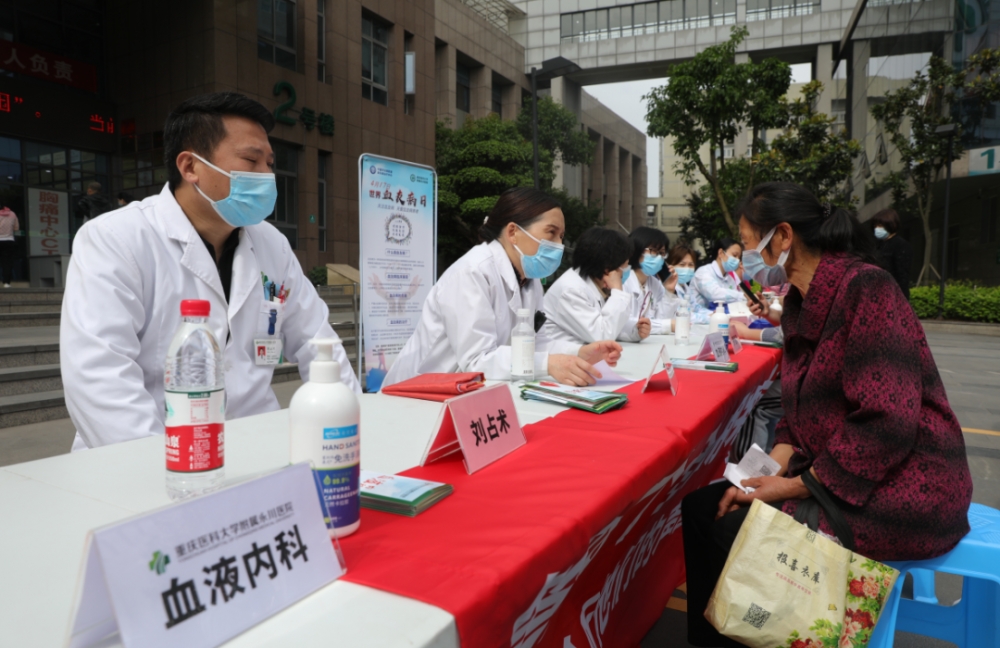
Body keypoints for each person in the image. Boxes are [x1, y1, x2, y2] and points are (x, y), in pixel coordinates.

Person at [681, 182, 972, 648]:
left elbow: (886, 422)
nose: (744, 258)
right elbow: (795, 418)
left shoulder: (867, 290)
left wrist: (793, 485)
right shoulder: (800, 302)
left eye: (747, 241)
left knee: (734, 532)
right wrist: (760, 476)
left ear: (782, 237)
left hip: (905, 486)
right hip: (847, 474)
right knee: (704, 507)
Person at [61, 92, 360, 450]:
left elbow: (320, 344)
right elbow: (99, 377)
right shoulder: (116, 239)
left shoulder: (272, 244)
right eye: (251, 160)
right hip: (153, 454)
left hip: (255, 446)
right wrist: (164, 474)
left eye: (270, 163)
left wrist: (351, 436)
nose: (267, 176)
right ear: (190, 167)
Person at [381, 188, 622, 388]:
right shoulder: (472, 272)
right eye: (551, 233)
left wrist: (579, 353)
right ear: (513, 232)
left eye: (562, 236)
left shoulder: (530, 279)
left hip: (467, 392)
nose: (560, 245)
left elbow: (537, 342)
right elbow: (477, 360)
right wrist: (549, 364)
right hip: (418, 391)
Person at [541, 226, 644, 344]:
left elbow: (605, 323)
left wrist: (634, 331)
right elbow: (602, 336)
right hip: (563, 357)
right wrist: (618, 291)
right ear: (608, 269)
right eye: (624, 266)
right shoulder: (571, 290)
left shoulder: (591, 283)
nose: (627, 270)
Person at [621, 226, 679, 336]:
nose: (659, 257)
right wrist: (667, 325)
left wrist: (669, 291)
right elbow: (625, 324)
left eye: (662, 253)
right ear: (637, 249)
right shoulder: (624, 280)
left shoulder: (654, 283)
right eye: (654, 251)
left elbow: (662, 319)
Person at [689, 237, 745, 310]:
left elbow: (734, 302)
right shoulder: (703, 272)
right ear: (721, 253)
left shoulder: (730, 279)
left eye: (739, 257)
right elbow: (714, 293)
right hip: (697, 318)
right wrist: (743, 296)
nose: (737, 260)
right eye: (734, 255)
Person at [872, 207, 912, 299]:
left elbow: (902, 276)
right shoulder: (876, 244)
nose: (877, 228)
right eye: (875, 225)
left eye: (880, 225)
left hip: (891, 295)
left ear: (890, 225)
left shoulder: (901, 245)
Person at [0, 206, 19, 288]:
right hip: (9, 240)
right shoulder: (13, 214)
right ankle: (6, 283)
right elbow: (16, 228)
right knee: (7, 263)